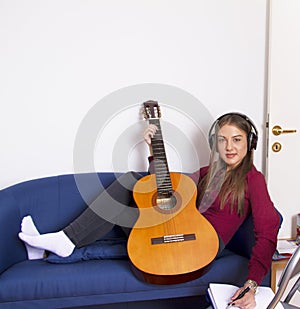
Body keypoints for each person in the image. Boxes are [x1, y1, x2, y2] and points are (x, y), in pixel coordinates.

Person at [18, 112, 280, 309]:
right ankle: (59, 243)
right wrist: (154, 150)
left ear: (250, 143)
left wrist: (252, 284)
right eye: (222, 140)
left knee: (127, 243)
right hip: (179, 232)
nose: (229, 147)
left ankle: (58, 245)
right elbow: (161, 190)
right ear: (215, 143)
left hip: (202, 245)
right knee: (131, 185)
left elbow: (268, 229)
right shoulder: (206, 173)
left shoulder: (252, 180)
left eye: (237, 139)